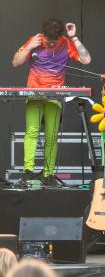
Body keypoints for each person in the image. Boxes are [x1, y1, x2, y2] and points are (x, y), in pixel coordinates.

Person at [12, 18, 92, 187]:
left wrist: (74, 37)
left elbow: (86, 60)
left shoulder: (65, 43)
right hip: (34, 94)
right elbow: (15, 62)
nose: (51, 44)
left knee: (52, 136)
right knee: (32, 131)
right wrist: (29, 47)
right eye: (48, 41)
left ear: (60, 37)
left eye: (54, 41)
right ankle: (28, 172)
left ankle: (48, 174)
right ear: (43, 35)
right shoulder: (35, 40)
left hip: (55, 96)